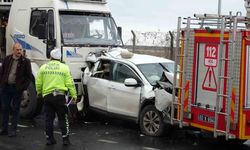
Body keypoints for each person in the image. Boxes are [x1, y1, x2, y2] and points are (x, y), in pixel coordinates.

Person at [35, 48, 77, 146]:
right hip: (59, 96)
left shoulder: (43, 67)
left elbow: (38, 82)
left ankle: (49, 139)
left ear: (50, 57)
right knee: (63, 118)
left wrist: (39, 92)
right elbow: (70, 83)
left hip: (47, 96)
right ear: (60, 58)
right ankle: (65, 139)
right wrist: (74, 95)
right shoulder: (64, 68)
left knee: (49, 118)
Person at [0, 43, 32, 137]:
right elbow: (2, 72)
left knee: (15, 109)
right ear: (13, 50)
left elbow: (28, 77)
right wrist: (2, 84)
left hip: (17, 89)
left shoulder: (25, 61)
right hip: (6, 88)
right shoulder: (7, 59)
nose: (19, 51)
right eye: (17, 50)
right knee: (5, 108)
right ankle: (4, 129)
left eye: (20, 50)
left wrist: (22, 88)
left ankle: (13, 130)